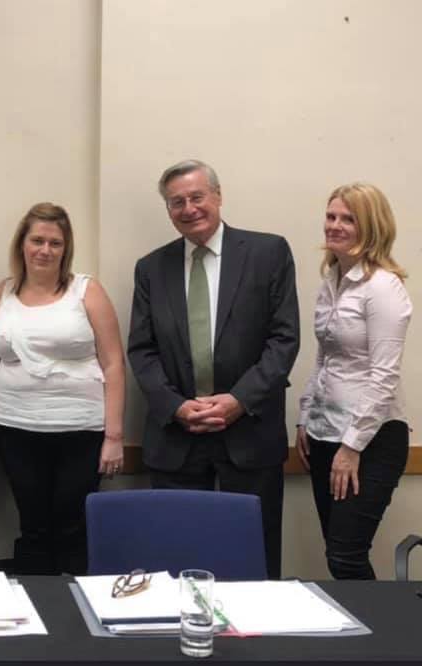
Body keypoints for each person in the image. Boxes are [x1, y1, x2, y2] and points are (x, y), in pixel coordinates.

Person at [126, 159, 300, 579]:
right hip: (178, 437)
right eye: (176, 202)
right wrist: (178, 406)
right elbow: (142, 350)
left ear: (218, 197)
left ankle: (254, 642)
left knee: (253, 562)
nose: (188, 209)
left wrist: (239, 400)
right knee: (178, 557)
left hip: (249, 433)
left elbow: (284, 340)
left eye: (196, 197)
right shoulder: (151, 268)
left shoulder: (268, 252)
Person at [0, 203, 125, 575]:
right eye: (37, 240)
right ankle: (37, 617)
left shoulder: (86, 291)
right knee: (32, 525)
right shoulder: (4, 293)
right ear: (22, 244)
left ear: (66, 249)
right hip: (15, 428)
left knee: (72, 525)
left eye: (55, 243)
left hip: (81, 430)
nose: (45, 250)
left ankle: (75, 620)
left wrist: (114, 435)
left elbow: (113, 363)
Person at [295, 183, 411, 580]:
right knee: (336, 553)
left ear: (371, 227)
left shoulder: (383, 287)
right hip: (325, 433)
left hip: (371, 439)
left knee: (347, 555)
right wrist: (305, 417)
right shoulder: (332, 280)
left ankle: (383, 639)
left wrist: (351, 445)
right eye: (331, 216)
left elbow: (384, 377)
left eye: (348, 219)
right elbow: (325, 357)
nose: (335, 226)